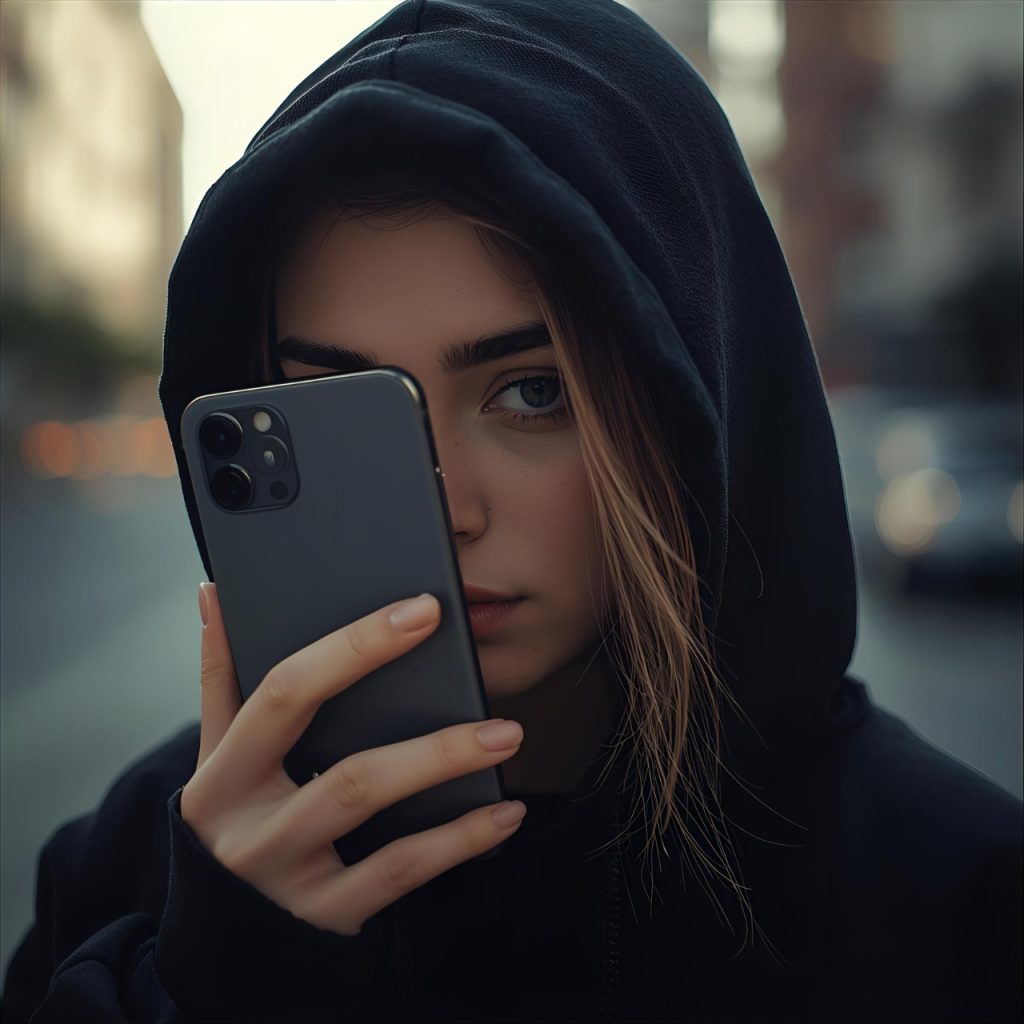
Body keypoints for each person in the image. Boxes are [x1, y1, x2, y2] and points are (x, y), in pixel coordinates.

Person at [3, 0, 1021, 1021]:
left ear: (685, 400)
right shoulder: (133, 861)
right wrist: (204, 987)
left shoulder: (958, 895)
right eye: (342, 408)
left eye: (531, 391)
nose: (447, 506)